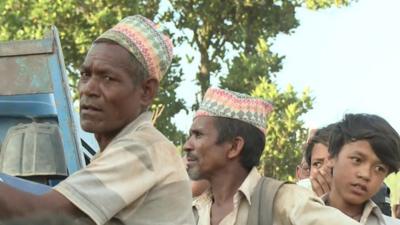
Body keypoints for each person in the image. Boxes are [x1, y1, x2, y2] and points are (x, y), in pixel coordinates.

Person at [0, 15, 195, 225]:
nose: (88, 89)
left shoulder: (142, 150)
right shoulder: (117, 152)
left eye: (108, 78)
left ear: (146, 91)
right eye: (85, 75)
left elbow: (40, 215)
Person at [184, 87, 360, 225]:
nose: (187, 146)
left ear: (234, 147)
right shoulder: (193, 210)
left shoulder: (285, 200)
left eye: (198, 135)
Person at [321, 114, 400, 224]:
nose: (365, 174)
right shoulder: (296, 218)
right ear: (331, 158)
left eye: (379, 168)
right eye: (357, 160)